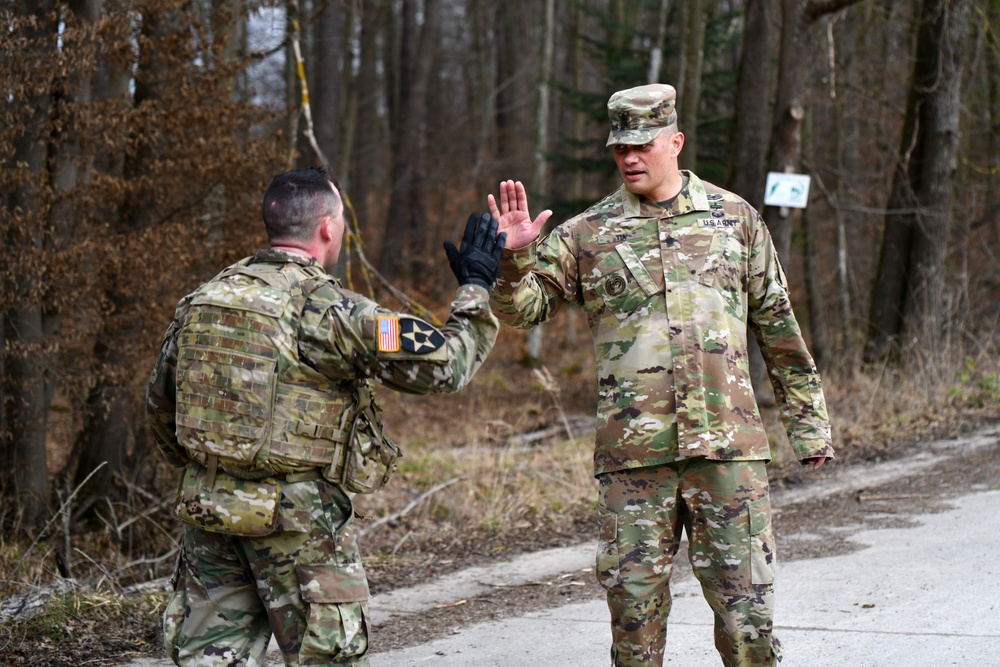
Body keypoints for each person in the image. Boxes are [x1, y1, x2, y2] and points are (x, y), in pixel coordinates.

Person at [487, 84, 834, 667]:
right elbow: (522, 312)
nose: (629, 157)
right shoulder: (587, 234)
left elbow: (778, 328)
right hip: (634, 462)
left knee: (747, 619)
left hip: (727, 453)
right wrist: (514, 259)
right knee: (634, 622)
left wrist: (810, 428)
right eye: (619, 146)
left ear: (674, 141)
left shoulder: (735, 220)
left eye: (642, 144)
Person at [146, 166, 505, 667]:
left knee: (208, 660)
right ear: (328, 228)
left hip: (210, 508)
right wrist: (477, 286)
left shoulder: (202, 301)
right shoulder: (333, 311)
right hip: (298, 520)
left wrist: (214, 469)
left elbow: (161, 408)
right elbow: (447, 366)